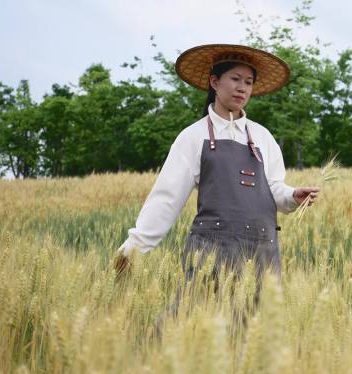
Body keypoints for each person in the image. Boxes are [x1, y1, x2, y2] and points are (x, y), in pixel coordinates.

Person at [113, 44, 319, 325]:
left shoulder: (263, 137)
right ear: (214, 82)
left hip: (261, 253)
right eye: (235, 79)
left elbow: (275, 191)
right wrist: (134, 246)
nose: (242, 88)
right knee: (189, 329)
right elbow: (166, 198)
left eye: (248, 82)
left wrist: (294, 196)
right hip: (211, 252)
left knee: (253, 338)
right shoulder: (193, 136)